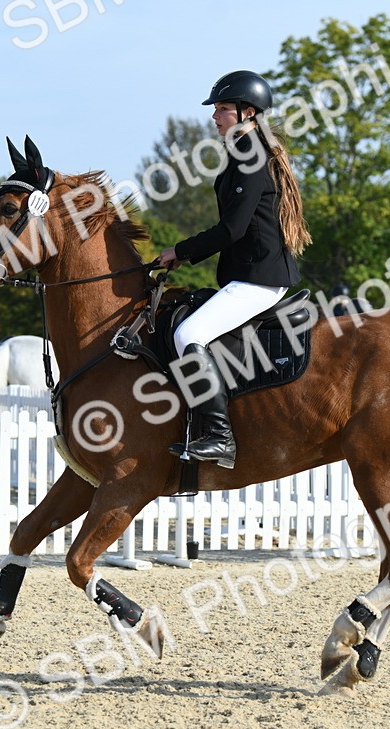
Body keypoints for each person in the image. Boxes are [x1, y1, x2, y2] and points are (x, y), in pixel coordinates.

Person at [157, 70, 311, 469]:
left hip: (259, 279)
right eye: (218, 110)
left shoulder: (250, 155)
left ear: (248, 112)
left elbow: (232, 229)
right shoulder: (246, 150)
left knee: (188, 333)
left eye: (223, 109)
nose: (215, 117)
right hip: (252, 274)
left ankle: (219, 437)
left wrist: (181, 250)